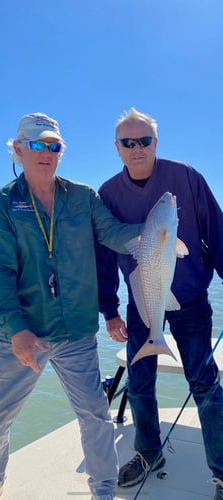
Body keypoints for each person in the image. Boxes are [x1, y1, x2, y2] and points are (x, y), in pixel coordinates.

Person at [0, 112, 143, 500]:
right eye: (37, 145)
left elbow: (113, 234)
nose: (46, 152)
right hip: (22, 335)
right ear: (18, 149)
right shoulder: (2, 205)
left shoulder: (82, 197)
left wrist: (158, 229)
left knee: (96, 417)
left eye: (54, 145)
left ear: (61, 152)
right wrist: (16, 330)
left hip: (76, 332)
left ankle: (104, 491)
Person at [96, 108, 223, 500]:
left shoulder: (185, 177)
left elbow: (216, 230)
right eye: (127, 142)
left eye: (144, 141)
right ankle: (148, 453)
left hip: (190, 301)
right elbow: (102, 252)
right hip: (142, 303)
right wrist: (109, 308)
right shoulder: (108, 193)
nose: (137, 148)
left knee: (205, 385)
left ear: (156, 142)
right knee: (140, 382)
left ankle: (221, 471)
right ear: (117, 148)